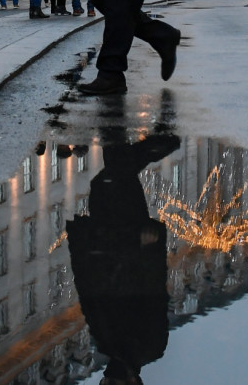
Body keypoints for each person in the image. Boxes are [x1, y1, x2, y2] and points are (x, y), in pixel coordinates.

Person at [67, 112, 178, 385]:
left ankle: (115, 118)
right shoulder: (150, 347)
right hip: (131, 242)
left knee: (110, 175)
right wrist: (149, 249)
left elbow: (88, 295)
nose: (106, 383)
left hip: (101, 244)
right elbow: (153, 295)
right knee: (112, 176)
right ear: (134, 383)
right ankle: (160, 142)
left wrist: (80, 247)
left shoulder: (107, 348)